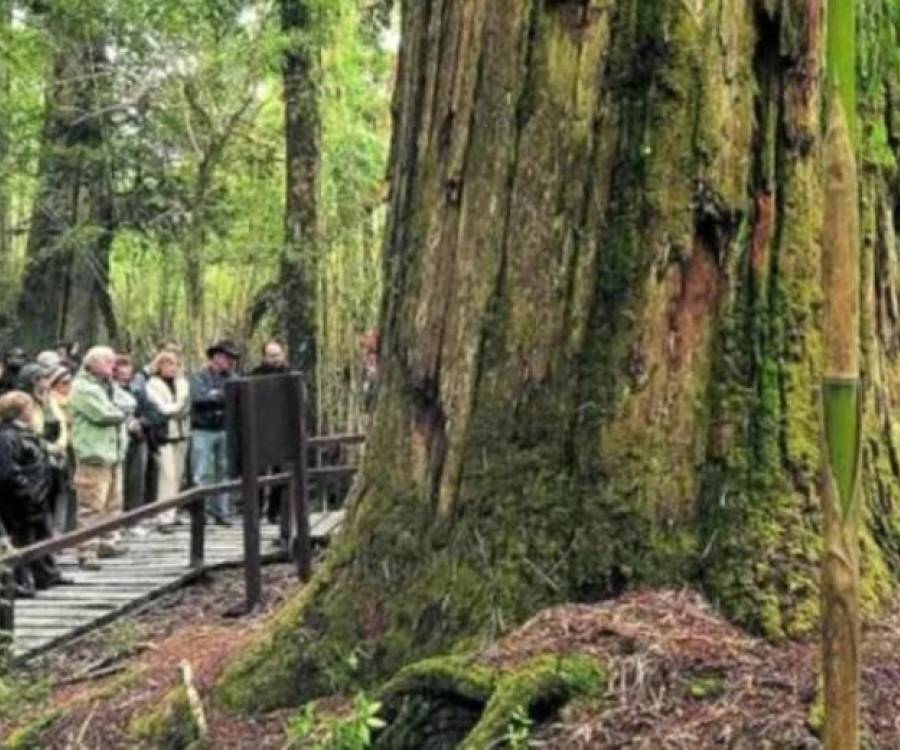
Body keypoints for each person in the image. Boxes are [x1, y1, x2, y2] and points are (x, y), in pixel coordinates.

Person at [71, 346, 136, 569]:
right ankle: (87, 549)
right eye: (108, 362)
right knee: (91, 505)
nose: (113, 366)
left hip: (114, 453)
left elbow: (130, 401)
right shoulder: (82, 387)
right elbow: (103, 414)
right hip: (93, 454)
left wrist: (118, 408)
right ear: (93, 364)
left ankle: (107, 541)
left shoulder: (109, 386)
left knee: (112, 503)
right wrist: (121, 411)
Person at [0, 391, 70, 596]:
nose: (31, 412)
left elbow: (50, 435)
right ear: (19, 412)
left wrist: (48, 406)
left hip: (38, 494)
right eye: (28, 408)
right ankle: (21, 581)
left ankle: (46, 574)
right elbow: (7, 471)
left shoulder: (27, 433)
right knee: (21, 539)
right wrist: (26, 491)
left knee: (41, 534)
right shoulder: (7, 436)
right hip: (19, 498)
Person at [191, 339, 239, 525]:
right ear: (217, 357)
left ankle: (222, 512)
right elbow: (198, 399)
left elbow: (237, 398)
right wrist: (220, 396)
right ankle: (200, 513)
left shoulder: (233, 377)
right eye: (228, 357)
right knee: (201, 473)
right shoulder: (199, 376)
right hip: (203, 429)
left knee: (224, 472)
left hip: (224, 429)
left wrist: (214, 395)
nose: (231, 361)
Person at [146, 350, 191, 531]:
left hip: (182, 433)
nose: (172, 368)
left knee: (178, 476)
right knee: (167, 476)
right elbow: (162, 409)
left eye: (175, 364)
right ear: (159, 366)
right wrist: (179, 407)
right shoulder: (152, 384)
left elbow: (187, 405)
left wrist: (179, 408)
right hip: (164, 436)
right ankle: (163, 517)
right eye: (168, 364)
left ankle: (173, 511)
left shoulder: (182, 383)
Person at [250, 340, 289, 529]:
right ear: (264, 357)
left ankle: (275, 512)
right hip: (260, 431)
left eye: (278, 355)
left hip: (281, 431)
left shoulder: (289, 375)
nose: (275, 359)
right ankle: (255, 512)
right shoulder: (255, 375)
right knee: (257, 474)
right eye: (271, 355)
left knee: (280, 474)